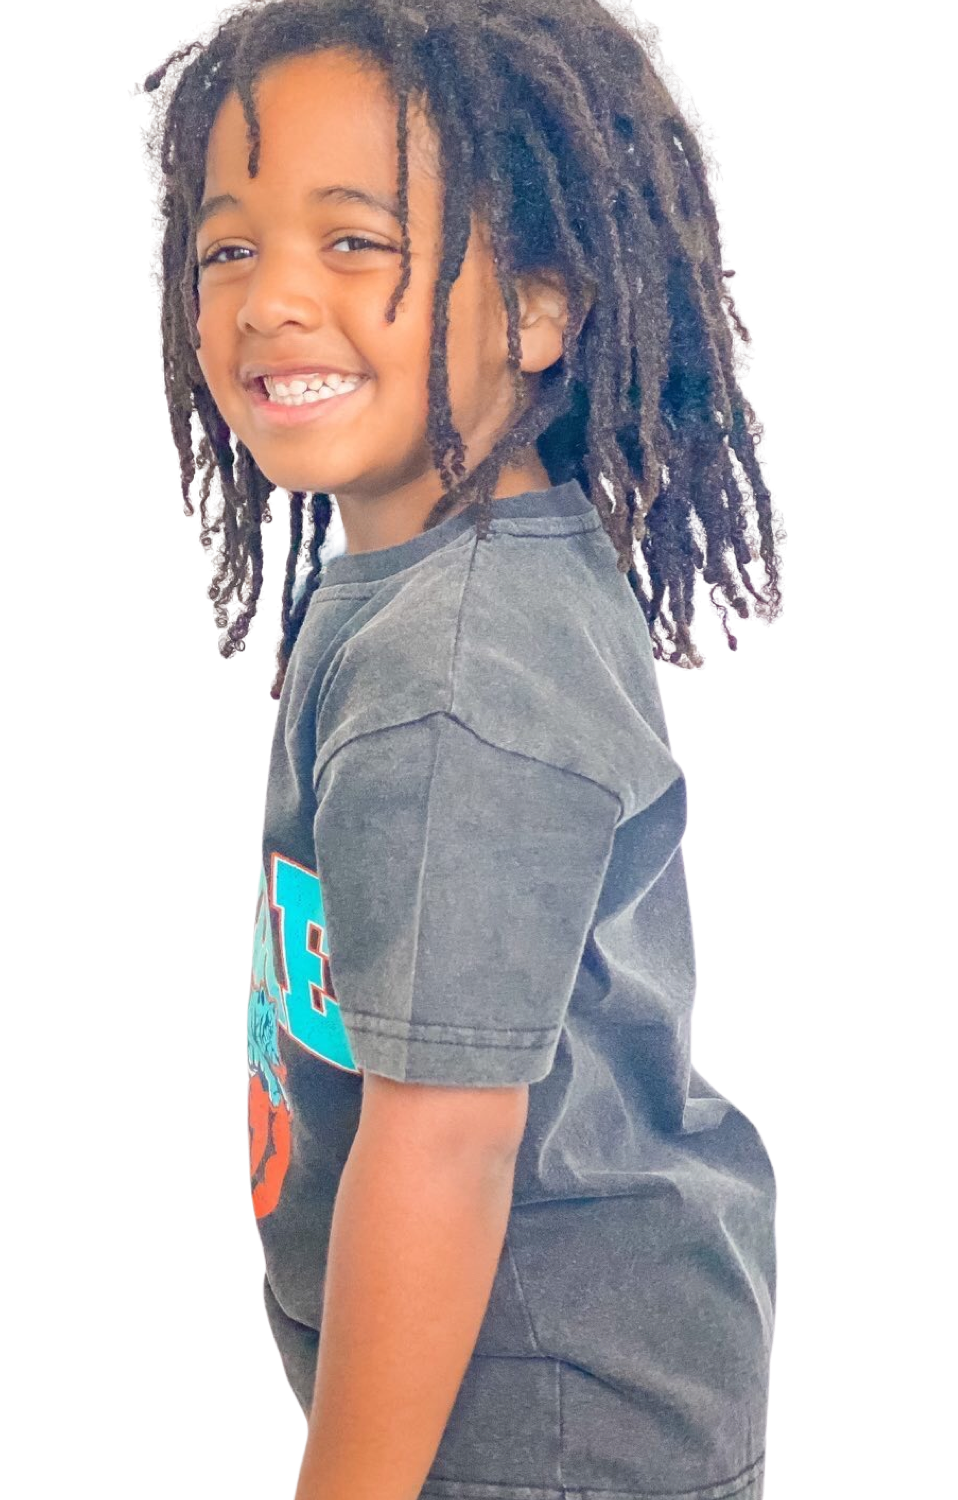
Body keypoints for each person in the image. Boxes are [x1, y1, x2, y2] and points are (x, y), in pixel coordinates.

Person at [141, 4, 784, 1498]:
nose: (271, 299)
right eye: (228, 248)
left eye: (354, 242)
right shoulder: (446, 582)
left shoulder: (454, 669)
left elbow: (443, 1149)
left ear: (539, 309)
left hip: (540, 1431)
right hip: (546, 1389)